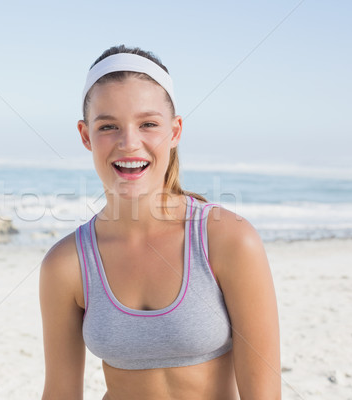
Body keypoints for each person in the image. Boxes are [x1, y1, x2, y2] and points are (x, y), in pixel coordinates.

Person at [39, 45, 281, 400]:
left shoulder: (228, 240)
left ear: (175, 130)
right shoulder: (66, 264)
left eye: (148, 124)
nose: (129, 143)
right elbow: (60, 393)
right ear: (86, 135)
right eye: (109, 126)